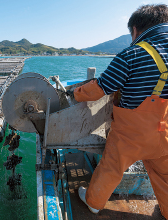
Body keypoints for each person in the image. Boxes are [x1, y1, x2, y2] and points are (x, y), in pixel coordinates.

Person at [70, 4, 168, 219]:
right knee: (164, 174)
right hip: (164, 132)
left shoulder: (133, 54)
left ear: (135, 29)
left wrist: (76, 93)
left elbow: (100, 88)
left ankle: (94, 202)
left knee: (111, 168)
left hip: (129, 135)